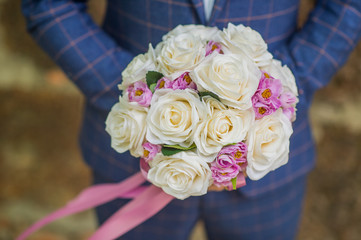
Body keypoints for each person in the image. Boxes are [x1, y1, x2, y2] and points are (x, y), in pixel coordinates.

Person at [21, 0, 361, 239]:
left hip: (268, 169)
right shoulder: (138, 107)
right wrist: (141, 99)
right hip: (131, 162)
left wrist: (277, 91)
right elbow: (50, 4)